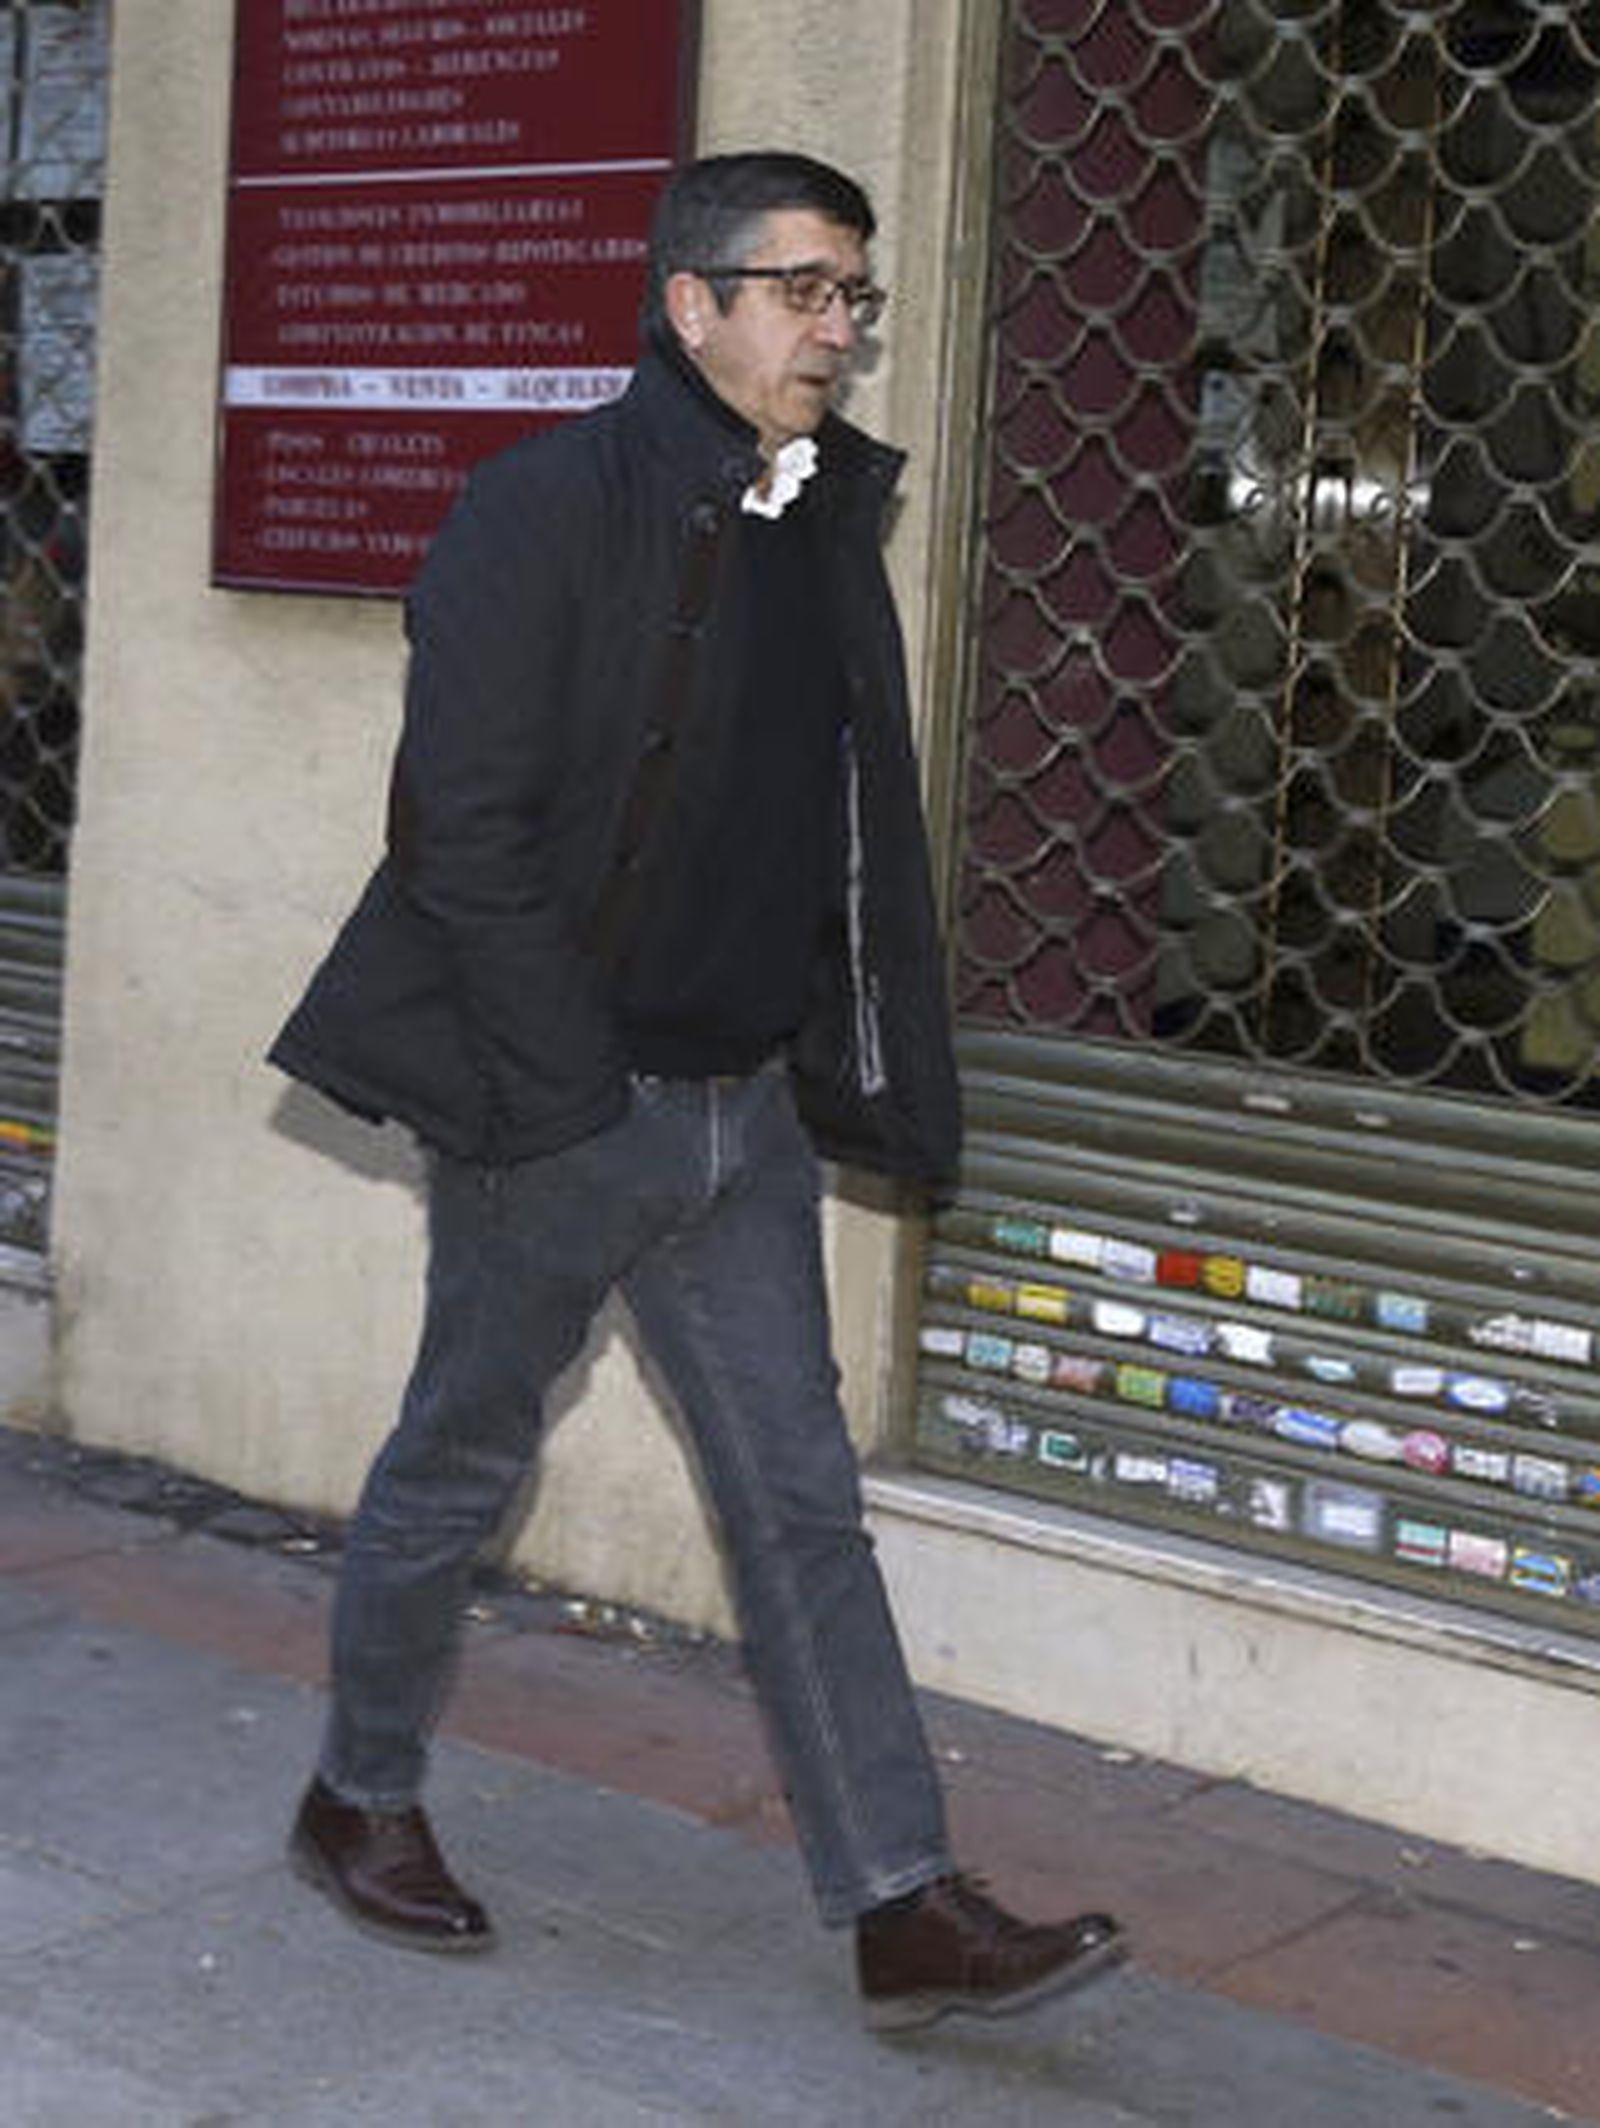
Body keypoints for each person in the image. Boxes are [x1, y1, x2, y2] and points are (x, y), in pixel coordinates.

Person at [269, 149, 1124, 2031]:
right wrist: (571, 1095)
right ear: (692, 303)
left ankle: (901, 1904)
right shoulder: (539, 507)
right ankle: (359, 1795)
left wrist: (827, 1053)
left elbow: (829, 821)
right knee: (460, 1460)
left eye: (853, 295)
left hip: (748, 1118)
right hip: (565, 1111)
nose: (839, 328)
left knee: (803, 1505)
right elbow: (461, 832)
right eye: (804, 290)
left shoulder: (817, 517)